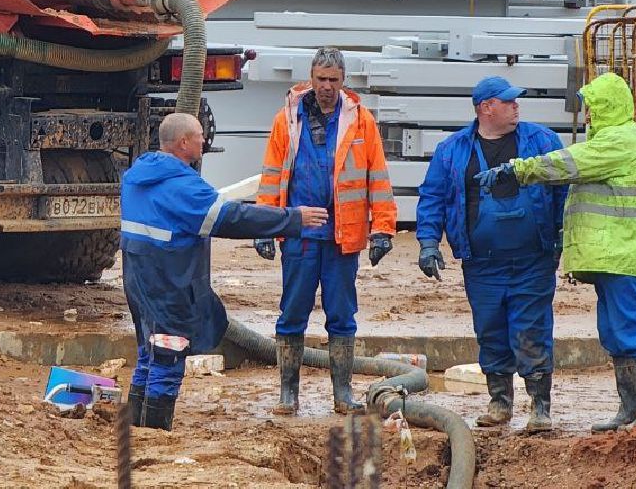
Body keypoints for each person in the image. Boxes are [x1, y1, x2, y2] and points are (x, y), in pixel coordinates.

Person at [476, 71, 636, 432]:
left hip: (625, 255)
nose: (589, 115)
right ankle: (633, 410)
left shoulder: (619, 141)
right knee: (614, 333)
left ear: (607, 107)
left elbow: (567, 163)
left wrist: (516, 170)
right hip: (614, 255)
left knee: (631, 333)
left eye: (593, 107)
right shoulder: (617, 139)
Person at [121, 111, 329, 431]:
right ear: (183, 142)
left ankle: (136, 427)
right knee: (168, 356)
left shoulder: (137, 177)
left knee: (149, 353)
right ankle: (155, 434)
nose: (205, 140)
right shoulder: (182, 188)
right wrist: (293, 219)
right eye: (199, 135)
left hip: (138, 282)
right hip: (170, 284)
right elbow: (231, 218)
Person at [415, 75, 567, 432]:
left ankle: (540, 406)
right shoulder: (452, 150)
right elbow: (433, 197)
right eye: (508, 102)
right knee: (491, 330)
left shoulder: (541, 140)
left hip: (533, 260)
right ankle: (500, 402)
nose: (516, 107)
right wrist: (427, 243)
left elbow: (563, 194)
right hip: (482, 264)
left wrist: (563, 240)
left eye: (516, 102)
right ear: (486, 108)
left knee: (531, 329)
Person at [254, 47, 397, 415]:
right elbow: (273, 173)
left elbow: (377, 176)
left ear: (343, 80)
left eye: (334, 80)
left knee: (342, 314)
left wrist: (383, 228)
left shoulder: (361, 121)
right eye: (321, 79)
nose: (327, 87)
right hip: (300, 232)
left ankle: (343, 394)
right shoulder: (287, 119)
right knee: (292, 312)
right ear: (311, 78)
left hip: (342, 234)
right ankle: (289, 394)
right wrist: (265, 224)